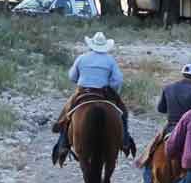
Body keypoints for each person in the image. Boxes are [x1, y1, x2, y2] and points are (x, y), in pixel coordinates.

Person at [52, 31, 136, 162]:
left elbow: (72, 76)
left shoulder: (82, 58)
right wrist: (112, 89)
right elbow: (118, 80)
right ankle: (125, 140)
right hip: (104, 92)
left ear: (91, 45)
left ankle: (63, 144)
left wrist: (82, 80)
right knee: (123, 112)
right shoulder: (110, 60)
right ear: (105, 46)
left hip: (82, 91)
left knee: (66, 113)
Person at [137, 64, 191, 183]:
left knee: (150, 152)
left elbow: (160, 109)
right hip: (188, 129)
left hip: (170, 126)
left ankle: (148, 182)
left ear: (183, 74)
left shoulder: (168, 87)